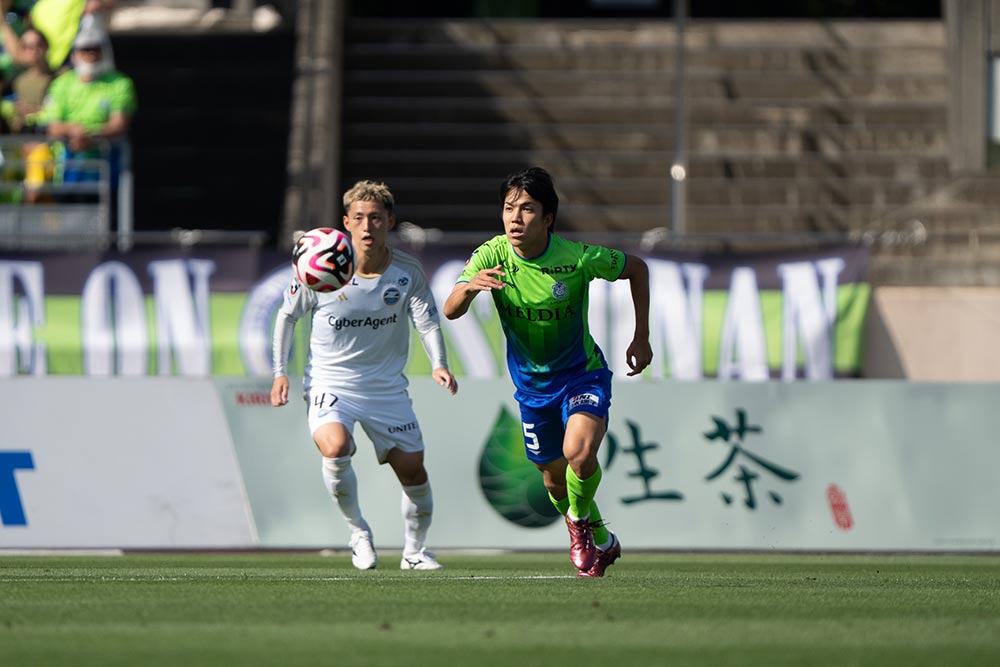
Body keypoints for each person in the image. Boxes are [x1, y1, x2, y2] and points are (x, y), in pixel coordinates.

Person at [443, 167, 652, 578]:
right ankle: (601, 537)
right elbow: (450, 310)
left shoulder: (576, 258)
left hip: (581, 375)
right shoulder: (492, 254)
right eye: (508, 209)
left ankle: (577, 524)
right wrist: (468, 287)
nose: (515, 218)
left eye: (526, 209)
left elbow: (637, 268)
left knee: (580, 453)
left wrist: (641, 336)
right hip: (532, 388)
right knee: (554, 481)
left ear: (547, 218)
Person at [271, 180, 458, 571]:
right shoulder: (320, 267)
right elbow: (287, 316)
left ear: (390, 221)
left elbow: (426, 322)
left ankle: (414, 552)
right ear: (345, 223)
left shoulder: (406, 271)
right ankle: (358, 533)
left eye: (375, 218)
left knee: (413, 470)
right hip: (330, 382)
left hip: (385, 388)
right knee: (336, 447)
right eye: (358, 218)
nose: (367, 226)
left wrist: (439, 364)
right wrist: (280, 372)